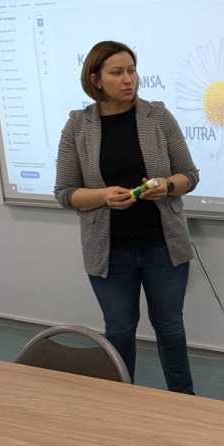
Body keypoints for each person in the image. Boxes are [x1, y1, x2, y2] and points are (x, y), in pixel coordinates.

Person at [54, 41, 199, 392]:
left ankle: (184, 400)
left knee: (171, 329)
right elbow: (65, 192)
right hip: (110, 252)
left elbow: (189, 176)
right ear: (96, 79)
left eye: (132, 71)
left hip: (163, 247)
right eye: (117, 72)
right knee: (119, 331)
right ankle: (120, 402)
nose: (128, 79)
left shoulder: (158, 117)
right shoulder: (77, 127)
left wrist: (167, 185)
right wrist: (102, 196)